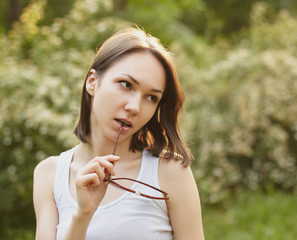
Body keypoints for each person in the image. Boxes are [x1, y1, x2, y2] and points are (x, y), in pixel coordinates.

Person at [33, 27, 204, 240]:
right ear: (92, 82)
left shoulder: (170, 171)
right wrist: (83, 215)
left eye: (151, 98)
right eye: (126, 84)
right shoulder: (49, 174)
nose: (135, 107)